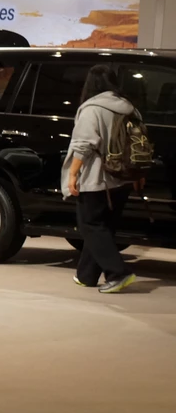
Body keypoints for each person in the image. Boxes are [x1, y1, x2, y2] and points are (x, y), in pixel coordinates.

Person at [65, 64, 140, 293]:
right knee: (103, 227)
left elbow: (83, 145)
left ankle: (118, 273)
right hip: (123, 178)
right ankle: (86, 275)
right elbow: (139, 144)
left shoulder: (92, 109)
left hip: (97, 179)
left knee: (90, 226)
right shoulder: (130, 108)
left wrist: (73, 173)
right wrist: (138, 174)